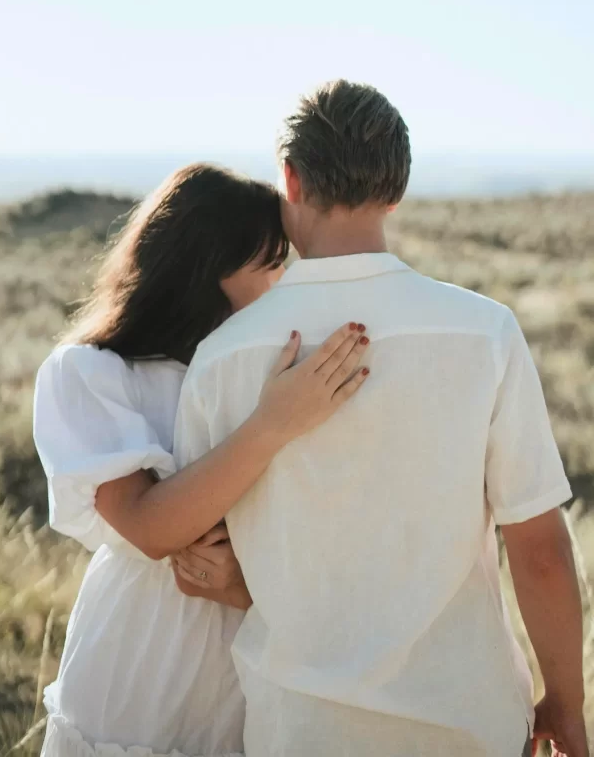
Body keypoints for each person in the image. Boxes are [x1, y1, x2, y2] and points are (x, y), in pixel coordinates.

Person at [174, 81, 587, 757]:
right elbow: (539, 552)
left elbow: (204, 561)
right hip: (470, 721)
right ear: (397, 188)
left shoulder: (223, 357)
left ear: (291, 179)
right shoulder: (484, 333)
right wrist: (566, 704)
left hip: (299, 730)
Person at [33, 162, 371, 757]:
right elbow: (150, 526)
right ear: (207, 264)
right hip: (141, 658)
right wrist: (273, 424)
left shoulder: (257, 374)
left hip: (251, 651)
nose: (282, 284)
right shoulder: (92, 373)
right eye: (268, 265)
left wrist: (245, 582)